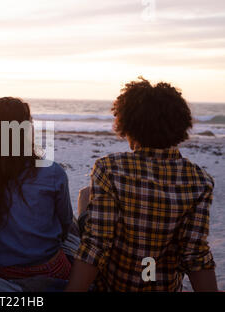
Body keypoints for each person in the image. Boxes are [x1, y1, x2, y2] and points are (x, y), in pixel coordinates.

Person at [66, 77, 218, 292]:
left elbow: (96, 246)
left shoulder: (110, 168)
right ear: (180, 124)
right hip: (164, 286)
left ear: (128, 124)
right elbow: (195, 254)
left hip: (113, 286)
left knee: (84, 197)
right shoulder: (200, 181)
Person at [0, 97, 76, 291]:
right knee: (72, 223)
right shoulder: (52, 172)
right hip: (53, 271)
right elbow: (64, 226)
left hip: (7, 274)